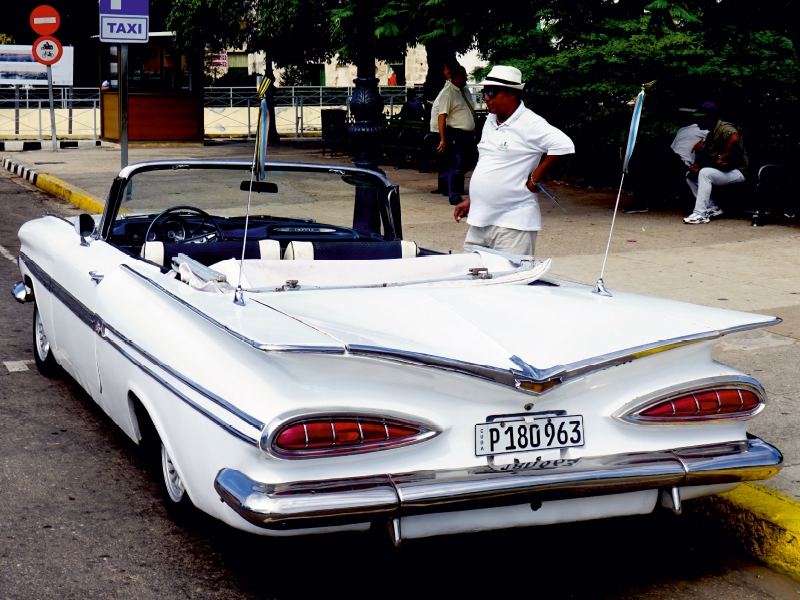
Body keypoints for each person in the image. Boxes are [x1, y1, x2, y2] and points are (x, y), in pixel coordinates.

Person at [453, 65, 574, 255]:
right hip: (480, 221)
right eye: (485, 92)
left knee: (509, 282)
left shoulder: (530, 123)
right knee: (470, 279)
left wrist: (535, 178)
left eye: (491, 92)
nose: (486, 97)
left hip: (513, 226)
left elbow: (564, 146)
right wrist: (472, 200)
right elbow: (488, 162)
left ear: (511, 94)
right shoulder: (491, 121)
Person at [683, 101, 748, 224]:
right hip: (725, 171)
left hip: (739, 172)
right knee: (690, 176)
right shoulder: (711, 134)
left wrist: (723, 156)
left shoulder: (724, 127)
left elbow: (735, 137)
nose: (697, 122)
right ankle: (711, 208)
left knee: (705, 173)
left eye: (700, 119)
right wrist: (698, 165)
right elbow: (710, 158)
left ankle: (700, 214)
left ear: (708, 118)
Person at [430, 65, 477, 205]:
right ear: (454, 77)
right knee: (456, 165)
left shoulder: (463, 91)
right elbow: (442, 116)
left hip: (468, 134)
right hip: (457, 133)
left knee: (470, 161)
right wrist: (443, 139)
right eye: (462, 76)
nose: (465, 78)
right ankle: (454, 195)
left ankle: (447, 177)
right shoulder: (448, 93)